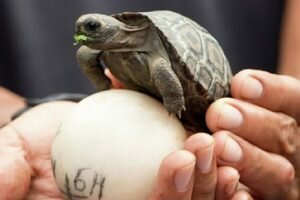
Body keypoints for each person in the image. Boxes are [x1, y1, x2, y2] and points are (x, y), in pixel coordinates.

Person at [0, 0, 300, 199]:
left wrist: (286, 137)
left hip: (220, 119)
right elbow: (87, 54)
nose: (83, 34)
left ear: (110, 28)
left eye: (92, 29)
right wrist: (23, 114)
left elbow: (162, 70)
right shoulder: (96, 47)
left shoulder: (153, 49)